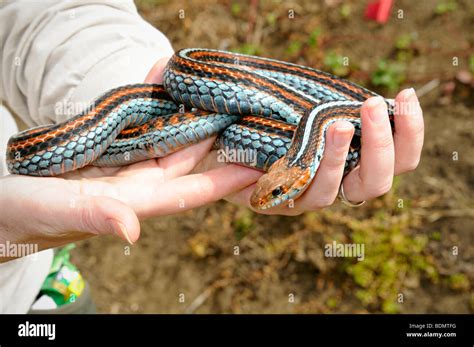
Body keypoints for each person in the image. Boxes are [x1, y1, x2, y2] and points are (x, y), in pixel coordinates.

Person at [0, 0, 424, 313]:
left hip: (30, 290)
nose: (265, 198)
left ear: (294, 171)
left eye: (275, 191)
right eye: (273, 190)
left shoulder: (321, 127)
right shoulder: (311, 129)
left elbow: (47, 12)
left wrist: (127, 71)